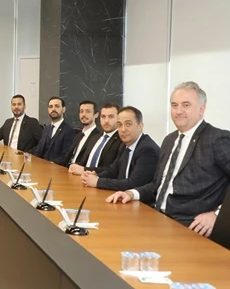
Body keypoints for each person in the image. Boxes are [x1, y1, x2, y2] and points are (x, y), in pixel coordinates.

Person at [106, 82, 230, 237]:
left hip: (190, 227)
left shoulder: (217, 139)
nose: (178, 111)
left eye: (186, 105)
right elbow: (158, 184)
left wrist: (217, 215)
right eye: (174, 105)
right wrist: (132, 193)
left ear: (201, 109)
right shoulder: (169, 140)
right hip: (156, 217)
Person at [81, 106, 159, 191]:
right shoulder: (124, 145)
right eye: (119, 125)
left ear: (140, 127)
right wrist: (95, 176)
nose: (123, 130)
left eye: (128, 124)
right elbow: (113, 170)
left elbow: (133, 184)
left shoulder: (147, 150)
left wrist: (98, 182)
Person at [68, 103, 123, 175]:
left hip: (100, 180)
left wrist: (85, 170)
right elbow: (83, 161)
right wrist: (75, 166)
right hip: (82, 178)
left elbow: (113, 170)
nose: (106, 121)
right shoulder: (94, 138)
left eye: (111, 117)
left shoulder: (122, 141)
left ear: (119, 119)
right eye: (103, 116)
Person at [31, 97, 76, 164]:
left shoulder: (69, 130)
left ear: (63, 109)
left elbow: (65, 156)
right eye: (50, 107)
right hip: (41, 165)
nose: (53, 109)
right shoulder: (46, 129)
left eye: (57, 106)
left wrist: (51, 164)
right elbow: (39, 150)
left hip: (56, 167)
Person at [60, 100, 100, 167]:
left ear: (96, 115)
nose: (83, 114)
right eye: (81, 111)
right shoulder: (78, 135)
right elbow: (67, 158)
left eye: (88, 111)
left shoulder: (98, 137)